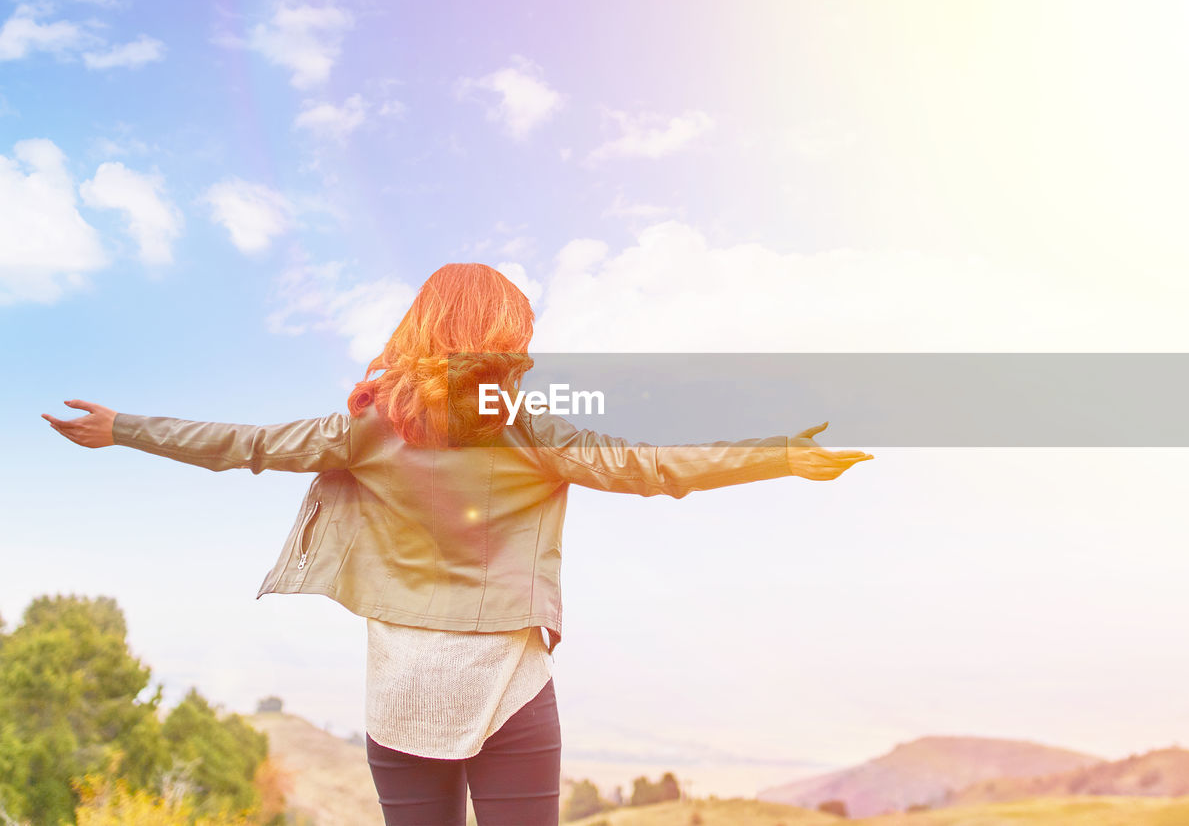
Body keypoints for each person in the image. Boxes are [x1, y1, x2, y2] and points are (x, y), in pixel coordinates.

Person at [42, 263, 873, 826]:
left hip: (399, 698)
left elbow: (247, 442)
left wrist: (124, 429)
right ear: (497, 340)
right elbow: (653, 465)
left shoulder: (364, 428)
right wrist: (780, 454)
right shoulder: (531, 430)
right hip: (511, 689)